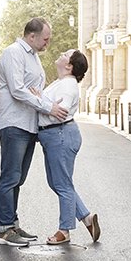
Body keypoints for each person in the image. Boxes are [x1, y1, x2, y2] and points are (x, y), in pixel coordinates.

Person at [0, 17, 67, 247]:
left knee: (19, 178)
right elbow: (18, 90)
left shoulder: (34, 57)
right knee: (10, 177)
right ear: (32, 36)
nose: (48, 43)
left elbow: (36, 91)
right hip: (14, 124)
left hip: (29, 125)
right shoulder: (13, 53)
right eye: (45, 38)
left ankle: (13, 224)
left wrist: (42, 99)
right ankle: (4, 229)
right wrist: (48, 107)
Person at [33, 50, 99, 245]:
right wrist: (42, 99)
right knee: (57, 183)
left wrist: (39, 99)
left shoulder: (68, 86)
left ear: (69, 66)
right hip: (54, 136)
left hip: (60, 135)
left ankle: (65, 230)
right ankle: (87, 219)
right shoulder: (62, 82)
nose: (61, 54)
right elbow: (50, 105)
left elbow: (59, 111)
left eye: (65, 54)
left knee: (62, 184)